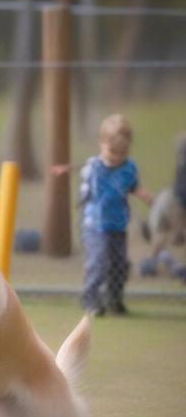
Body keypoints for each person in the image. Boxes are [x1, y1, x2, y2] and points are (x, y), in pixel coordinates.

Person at [54, 114, 153, 316]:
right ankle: (90, 300)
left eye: (122, 152)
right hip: (94, 225)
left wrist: (146, 196)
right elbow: (83, 178)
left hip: (118, 224)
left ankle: (115, 299)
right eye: (112, 151)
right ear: (102, 143)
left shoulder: (129, 168)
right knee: (98, 263)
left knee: (120, 264)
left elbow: (132, 186)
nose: (117, 157)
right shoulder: (94, 166)